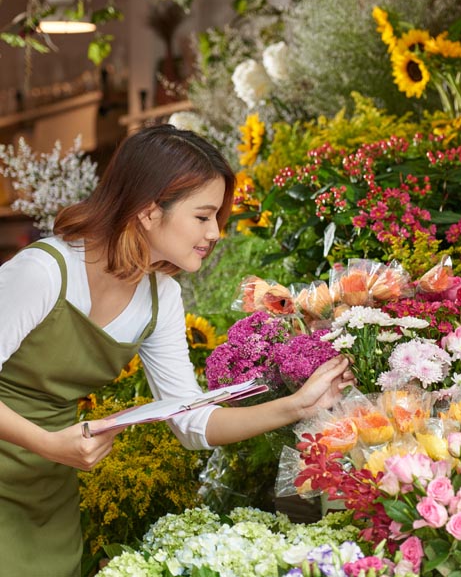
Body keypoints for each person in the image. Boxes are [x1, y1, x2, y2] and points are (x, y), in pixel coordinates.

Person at [0, 124, 353, 576]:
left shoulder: (158, 295)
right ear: (149, 211)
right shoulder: (43, 272)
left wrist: (297, 405)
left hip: (46, 489)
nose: (216, 233)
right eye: (203, 216)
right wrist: (50, 444)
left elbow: (189, 421)